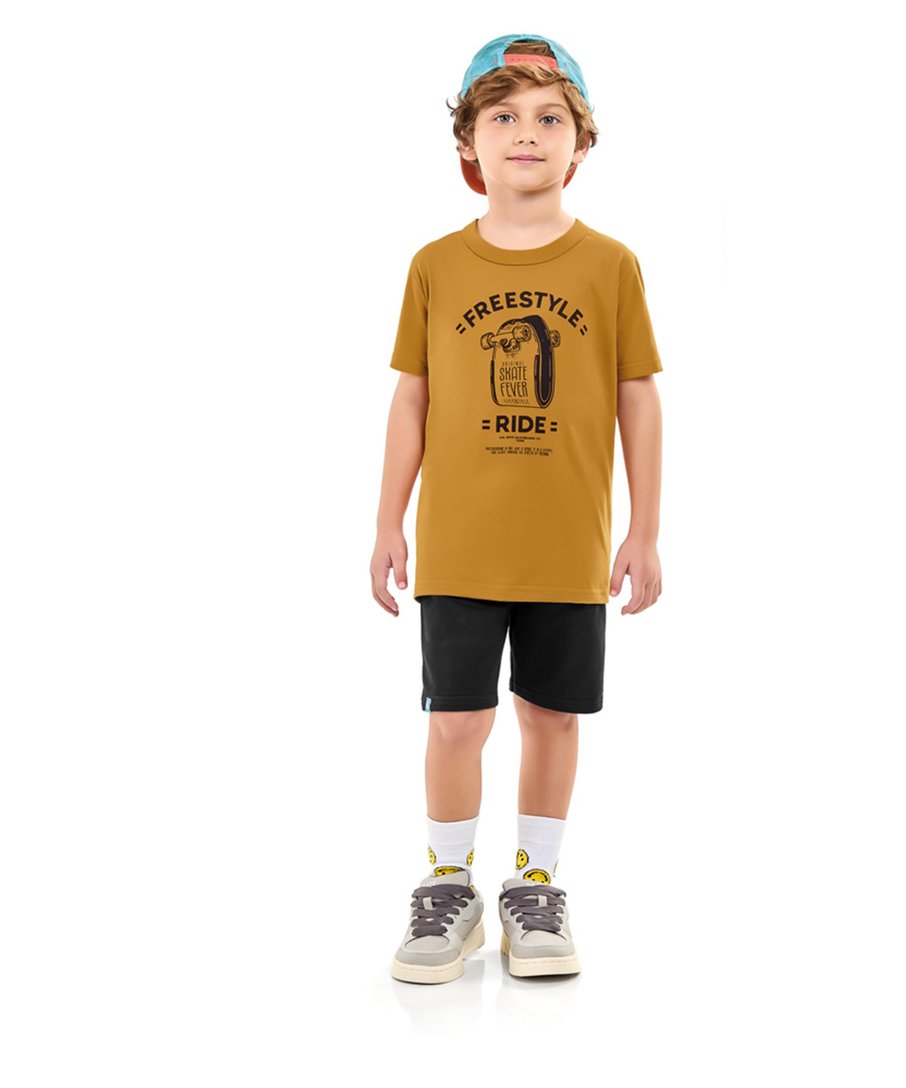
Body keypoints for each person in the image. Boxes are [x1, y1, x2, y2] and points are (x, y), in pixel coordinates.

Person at [371, 34, 664, 984]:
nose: (526, 134)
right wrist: (387, 522)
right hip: (460, 545)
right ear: (470, 143)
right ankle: (447, 887)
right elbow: (412, 398)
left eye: (549, 117)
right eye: (503, 116)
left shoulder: (610, 265)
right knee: (456, 721)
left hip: (568, 548)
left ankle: (534, 887)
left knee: (552, 717)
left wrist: (644, 529)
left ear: (581, 143)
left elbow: (637, 398)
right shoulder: (436, 265)